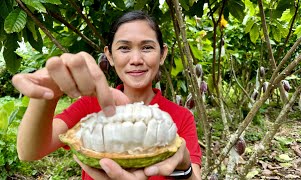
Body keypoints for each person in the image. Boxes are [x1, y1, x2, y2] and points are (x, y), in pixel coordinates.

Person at [12, 10, 202, 180]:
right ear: (109, 56)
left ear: (162, 54)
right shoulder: (89, 107)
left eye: (147, 47)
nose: (136, 60)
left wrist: (183, 169)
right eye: (124, 48)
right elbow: (29, 152)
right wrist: (47, 95)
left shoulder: (181, 118)